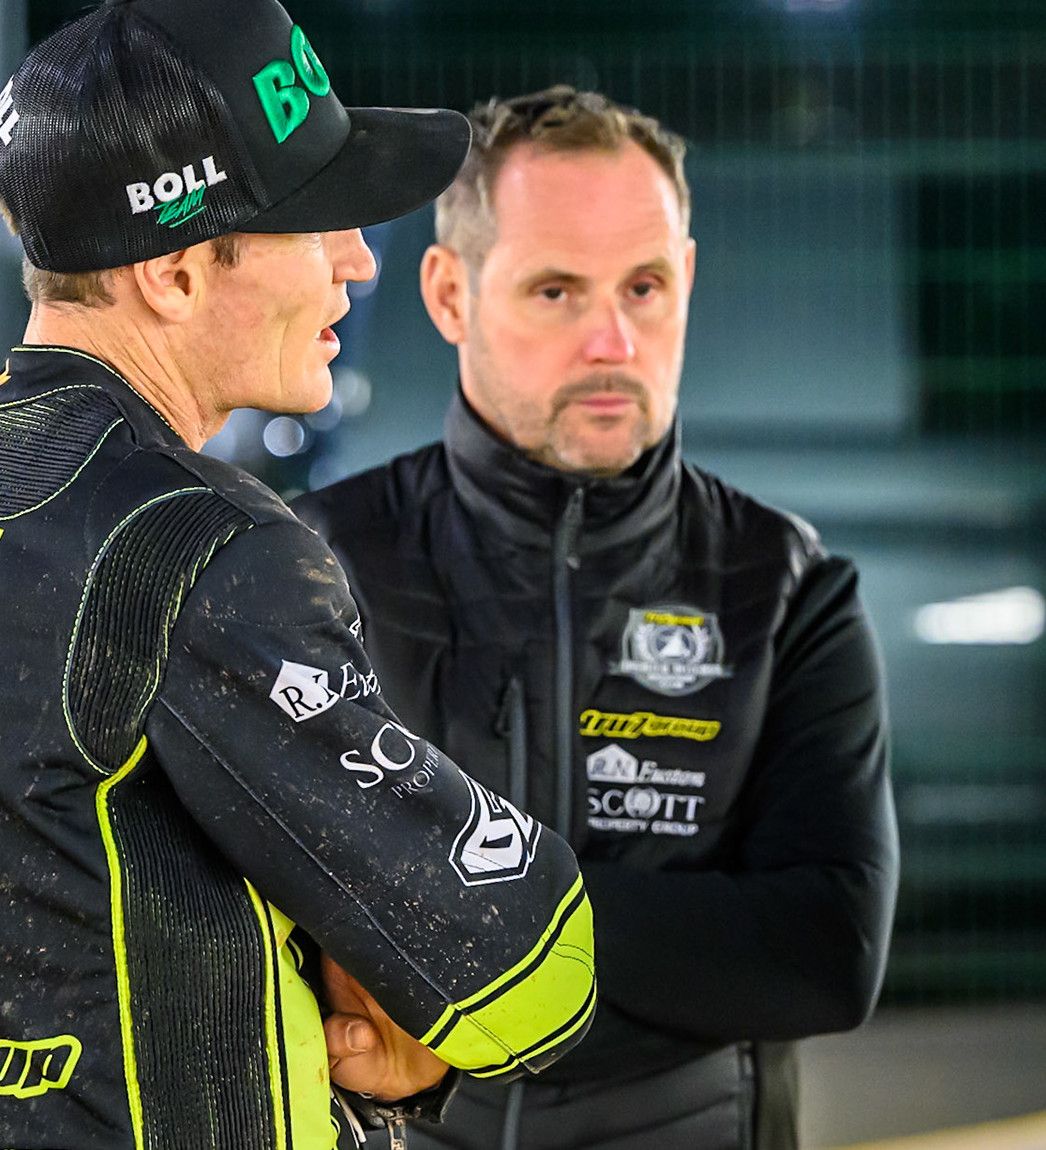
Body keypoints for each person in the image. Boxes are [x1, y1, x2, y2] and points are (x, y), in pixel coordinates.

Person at [0, 0, 596, 1150]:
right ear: (173, 270)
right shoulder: (201, 545)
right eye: (321, 221)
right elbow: (526, 971)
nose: (358, 263)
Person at [294, 85, 898, 1150]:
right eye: (558, 290)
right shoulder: (313, 564)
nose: (613, 338)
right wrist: (673, 934)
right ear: (449, 293)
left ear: (690, 281)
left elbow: (823, 954)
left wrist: (445, 906)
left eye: (647, 286)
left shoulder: (787, 585)